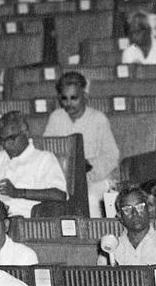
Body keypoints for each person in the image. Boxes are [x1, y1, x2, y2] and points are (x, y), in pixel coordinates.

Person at [44, 73, 119, 216]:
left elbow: (111, 155)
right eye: (64, 99)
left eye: (74, 98)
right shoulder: (56, 118)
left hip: (96, 178)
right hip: (64, 178)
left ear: (84, 96)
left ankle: (95, 236)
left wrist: (87, 166)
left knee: (89, 198)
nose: (68, 103)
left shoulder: (98, 119)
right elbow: (47, 149)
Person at [0, 111, 67, 218]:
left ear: (25, 133)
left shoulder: (44, 159)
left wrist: (18, 193)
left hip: (27, 221)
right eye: (2, 140)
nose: (6, 145)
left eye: (11, 138)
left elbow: (60, 195)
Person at [103, 184, 156, 266]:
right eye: (127, 209)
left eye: (140, 207)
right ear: (120, 216)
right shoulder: (110, 249)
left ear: (148, 210)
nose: (135, 213)